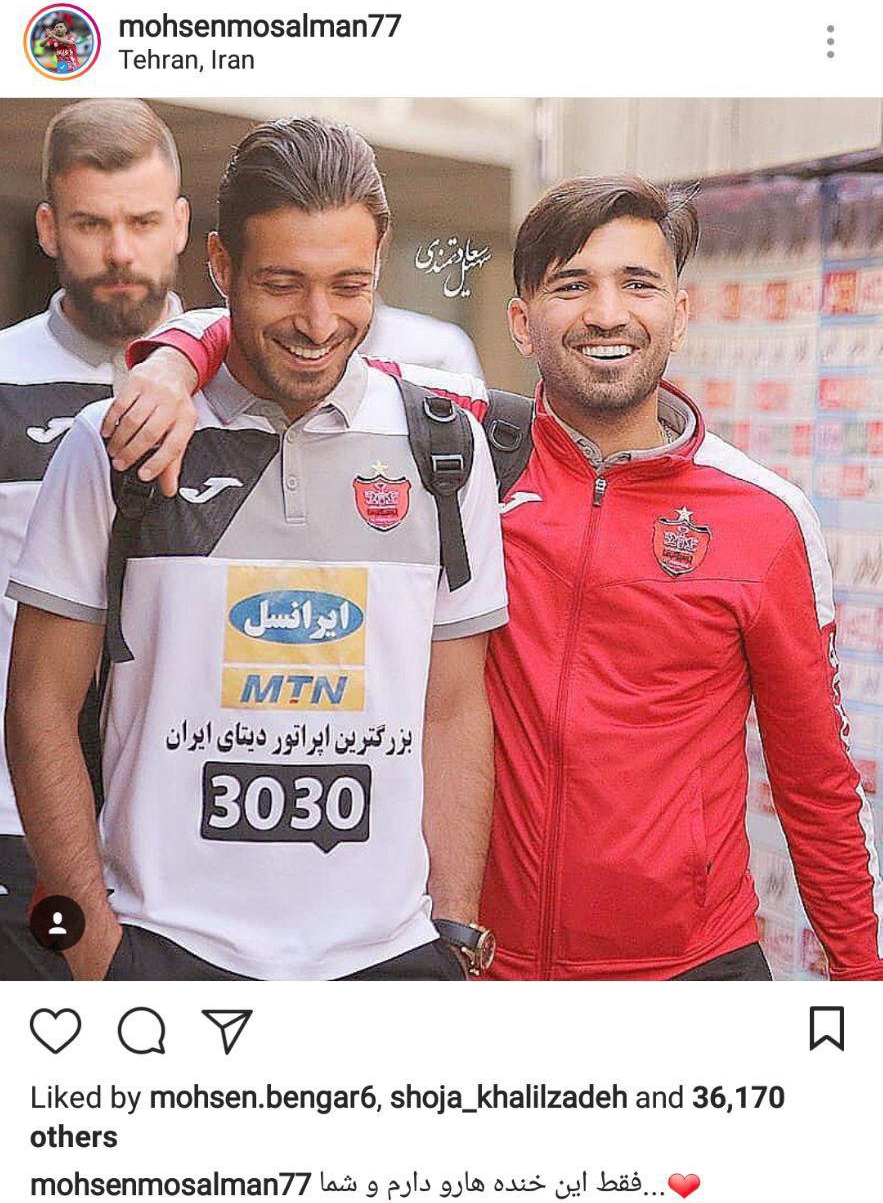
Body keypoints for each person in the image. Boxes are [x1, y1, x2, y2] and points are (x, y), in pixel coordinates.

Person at [128, 172, 883, 981]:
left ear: (679, 312)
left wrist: (861, 980)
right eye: (572, 285)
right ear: (522, 323)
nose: (606, 313)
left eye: (638, 283)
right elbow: (292, 328)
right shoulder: (455, 442)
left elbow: (816, 786)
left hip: (692, 969)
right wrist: (174, 361)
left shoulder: (764, 516)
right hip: (483, 965)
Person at [5, 117, 507, 982]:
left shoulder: (446, 450)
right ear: (220, 266)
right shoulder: (110, 443)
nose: (318, 321)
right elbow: (39, 705)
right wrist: (94, 948)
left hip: (388, 962)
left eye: (349, 286)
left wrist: (454, 931)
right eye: (282, 283)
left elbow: (453, 711)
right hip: (164, 949)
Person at [0, 99, 200, 980]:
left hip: (190, 831)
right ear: (48, 228)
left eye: (143, 222)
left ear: (182, 226)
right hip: (15, 827)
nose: (121, 252)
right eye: (91, 224)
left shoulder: (246, 382)